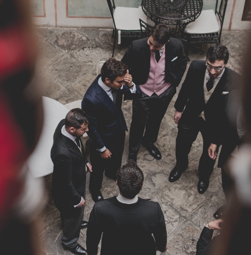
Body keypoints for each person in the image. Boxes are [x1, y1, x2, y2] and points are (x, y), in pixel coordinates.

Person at [171, 43, 240, 194]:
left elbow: (230, 116)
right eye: (210, 66)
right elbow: (186, 88)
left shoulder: (234, 80)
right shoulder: (196, 66)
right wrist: (179, 108)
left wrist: (216, 141)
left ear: (226, 64)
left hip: (215, 124)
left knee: (209, 154)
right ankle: (180, 166)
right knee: (182, 142)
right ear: (206, 60)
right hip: (191, 114)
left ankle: (204, 176)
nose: (213, 71)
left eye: (218, 68)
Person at [86, 162, 167, 255]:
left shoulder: (101, 209)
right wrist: (161, 246)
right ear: (142, 185)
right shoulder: (152, 209)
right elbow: (160, 232)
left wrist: (92, 253)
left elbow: (93, 235)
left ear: (117, 182)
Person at [121, 24, 189, 161]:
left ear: (166, 42)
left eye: (156, 46)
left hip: (164, 91)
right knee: (138, 122)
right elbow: (124, 65)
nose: (151, 47)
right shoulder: (136, 46)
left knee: (156, 119)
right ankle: (133, 152)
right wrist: (128, 80)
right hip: (142, 92)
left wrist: (174, 82)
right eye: (150, 43)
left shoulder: (177, 45)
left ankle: (149, 141)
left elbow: (182, 62)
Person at [82, 58, 138, 201]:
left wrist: (131, 84)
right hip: (102, 137)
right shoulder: (91, 99)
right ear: (107, 80)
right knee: (98, 167)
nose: (123, 84)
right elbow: (91, 128)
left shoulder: (117, 83)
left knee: (117, 157)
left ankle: (112, 173)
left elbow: (133, 95)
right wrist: (102, 148)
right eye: (120, 82)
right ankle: (95, 189)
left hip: (117, 127)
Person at [50, 108, 92, 255]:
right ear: (72, 129)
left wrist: (84, 162)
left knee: (72, 217)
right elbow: (65, 182)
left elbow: (77, 145)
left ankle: (75, 223)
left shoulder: (64, 124)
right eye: (84, 129)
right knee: (73, 214)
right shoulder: (63, 153)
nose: (87, 131)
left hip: (74, 177)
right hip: (69, 193)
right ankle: (69, 241)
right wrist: (77, 198)